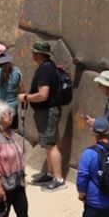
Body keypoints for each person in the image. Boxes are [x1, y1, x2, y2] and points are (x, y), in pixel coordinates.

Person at [24, 39, 68, 191]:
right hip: (46, 111)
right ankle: (50, 174)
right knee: (48, 144)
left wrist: (26, 97)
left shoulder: (45, 69)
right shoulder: (49, 66)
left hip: (48, 111)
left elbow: (43, 94)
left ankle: (59, 179)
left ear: (37, 54)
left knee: (51, 144)